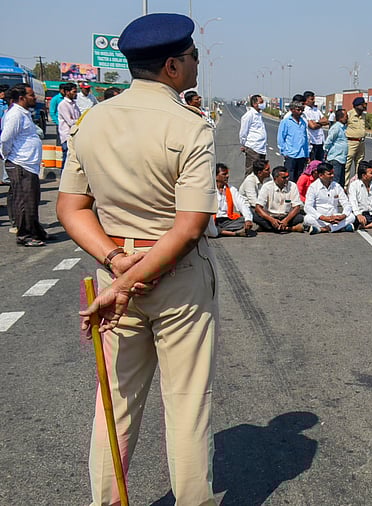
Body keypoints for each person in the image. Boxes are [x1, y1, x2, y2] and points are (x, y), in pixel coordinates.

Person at [56, 14, 218, 503]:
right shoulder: (191, 127)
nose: (196, 64)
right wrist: (131, 279)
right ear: (172, 65)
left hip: (115, 274)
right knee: (187, 407)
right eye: (192, 57)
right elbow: (189, 227)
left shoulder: (92, 121)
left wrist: (115, 264)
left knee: (115, 406)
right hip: (174, 277)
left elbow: (70, 205)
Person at [2, 84, 48, 246]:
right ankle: (25, 236)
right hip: (20, 163)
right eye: (31, 95)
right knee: (23, 201)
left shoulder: (24, 113)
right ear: (21, 98)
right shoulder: (15, 114)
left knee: (32, 200)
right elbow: (5, 139)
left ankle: (36, 231)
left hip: (29, 164)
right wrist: (9, 156)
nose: (35, 97)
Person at [303, 162, 355, 234]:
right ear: (321, 175)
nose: (332, 176)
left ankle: (322, 229)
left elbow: (346, 204)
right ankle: (341, 227)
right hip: (321, 218)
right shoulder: (313, 187)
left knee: (352, 217)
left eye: (333, 173)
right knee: (307, 219)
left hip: (335, 217)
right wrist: (324, 218)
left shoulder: (337, 186)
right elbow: (308, 207)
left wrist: (343, 216)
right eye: (329, 174)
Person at [254, 165, 305, 233]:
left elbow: (297, 207)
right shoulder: (267, 186)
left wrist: (286, 220)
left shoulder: (292, 186)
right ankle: (290, 228)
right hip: (270, 217)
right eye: (284, 178)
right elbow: (258, 207)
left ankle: (268, 228)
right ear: (275, 178)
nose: (287, 179)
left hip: (286, 217)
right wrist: (271, 220)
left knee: (300, 217)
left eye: (288, 177)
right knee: (254, 216)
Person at [211, 163, 253, 237]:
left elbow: (242, 204)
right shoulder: (210, 189)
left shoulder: (231, 189)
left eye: (227, 174)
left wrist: (248, 219)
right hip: (212, 220)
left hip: (227, 221)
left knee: (243, 220)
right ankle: (233, 233)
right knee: (204, 224)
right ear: (216, 176)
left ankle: (218, 231)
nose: (227, 176)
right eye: (224, 174)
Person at [277, 100, 309, 182]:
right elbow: (281, 138)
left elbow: (305, 139)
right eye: (298, 110)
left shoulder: (303, 122)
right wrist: (284, 152)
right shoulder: (286, 122)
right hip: (291, 154)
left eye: (302, 110)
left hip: (301, 155)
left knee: (299, 178)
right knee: (290, 178)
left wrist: (306, 154)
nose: (300, 112)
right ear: (292, 110)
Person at [240, 94, 268, 174]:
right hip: (253, 148)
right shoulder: (249, 115)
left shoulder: (259, 114)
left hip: (261, 148)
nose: (263, 104)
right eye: (261, 102)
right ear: (255, 104)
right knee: (251, 172)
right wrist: (244, 144)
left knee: (261, 173)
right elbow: (243, 132)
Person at [57, 82, 81, 169]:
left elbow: (79, 118)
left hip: (75, 135)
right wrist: (78, 121)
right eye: (74, 92)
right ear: (67, 92)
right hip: (66, 135)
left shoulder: (74, 104)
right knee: (66, 159)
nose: (76, 94)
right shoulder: (63, 105)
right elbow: (70, 122)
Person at [324, 108, 349, 187]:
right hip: (335, 158)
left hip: (342, 158)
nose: (347, 118)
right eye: (346, 116)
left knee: (341, 181)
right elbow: (328, 141)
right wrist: (326, 151)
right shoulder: (336, 128)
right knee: (335, 181)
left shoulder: (343, 128)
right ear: (340, 117)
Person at [345, 97, 367, 183]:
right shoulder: (349, 114)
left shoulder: (364, 115)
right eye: (363, 104)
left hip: (361, 142)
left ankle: (358, 184)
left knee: (360, 164)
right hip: (351, 142)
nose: (365, 106)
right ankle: (345, 186)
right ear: (357, 105)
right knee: (348, 165)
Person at [302, 91, 329, 161]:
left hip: (320, 141)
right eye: (311, 99)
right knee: (312, 164)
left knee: (320, 163)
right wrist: (320, 123)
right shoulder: (305, 111)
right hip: (312, 141)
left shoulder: (316, 110)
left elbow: (326, 121)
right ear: (306, 100)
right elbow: (312, 126)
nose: (314, 101)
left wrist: (316, 122)